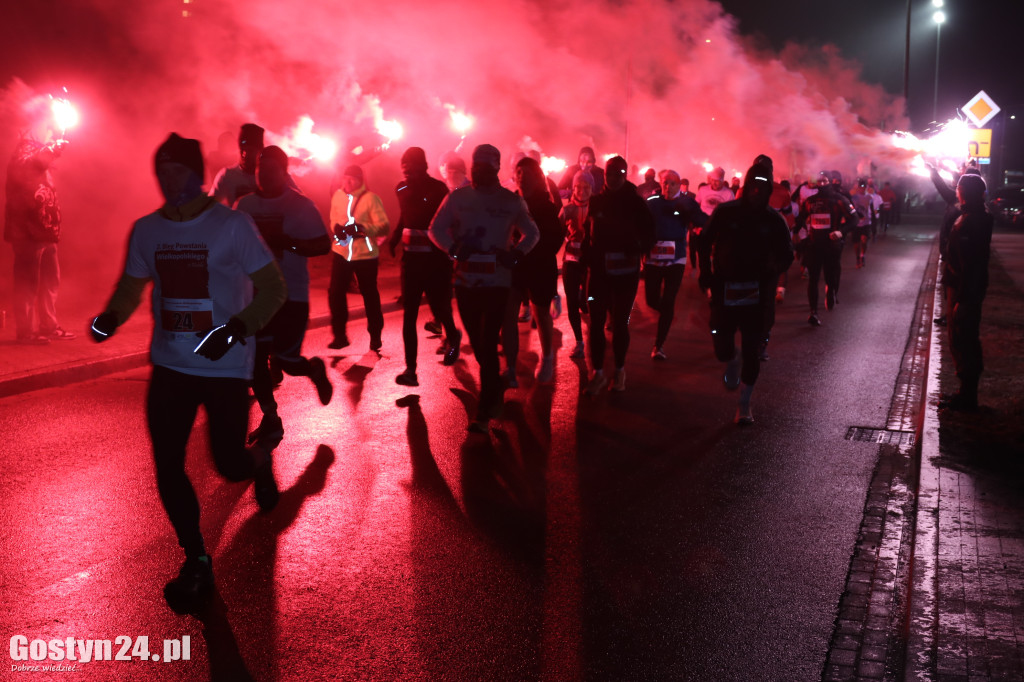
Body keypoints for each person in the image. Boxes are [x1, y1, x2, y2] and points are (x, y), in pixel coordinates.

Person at [88, 133, 287, 612]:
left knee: (228, 465)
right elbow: (132, 286)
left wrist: (235, 330)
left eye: (177, 170)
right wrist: (111, 317)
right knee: (168, 465)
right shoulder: (147, 230)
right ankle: (196, 557)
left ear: (197, 174)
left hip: (224, 367)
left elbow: (273, 289)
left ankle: (261, 452)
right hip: (171, 365)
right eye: (162, 170)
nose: (168, 179)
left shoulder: (232, 226)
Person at [428, 144, 539, 432]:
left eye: (486, 167)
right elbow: (435, 228)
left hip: (497, 283)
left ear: (496, 169)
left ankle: (484, 411)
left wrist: (515, 254)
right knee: (478, 345)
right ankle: (495, 388)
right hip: (465, 283)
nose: (480, 172)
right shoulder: (457, 197)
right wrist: (452, 249)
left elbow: (532, 232)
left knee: (488, 343)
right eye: (476, 167)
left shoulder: (510, 201)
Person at [234, 146, 334, 443]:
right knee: (254, 361)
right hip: (254, 296)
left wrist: (287, 243)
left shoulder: (300, 205)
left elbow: (322, 245)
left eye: (271, 169)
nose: (263, 174)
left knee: (287, 361)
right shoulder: (244, 205)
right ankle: (271, 418)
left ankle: (313, 369)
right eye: (259, 169)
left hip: (291, 295)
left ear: (283, 171)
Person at [699, 162, 794, 424]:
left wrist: (771, 272)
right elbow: (704, 241)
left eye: (762, 187)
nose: (756, 192)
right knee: (721, 344)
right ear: (746, 186)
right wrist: (705, 272)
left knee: (752, 350)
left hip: (757, 294)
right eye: (752, 186)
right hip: (725, 288)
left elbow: (787, 253)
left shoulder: (774, 219)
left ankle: (744, 403)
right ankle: (731, 359)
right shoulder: (725, 212)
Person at [387, 147, 461, 387]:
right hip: (410, 263)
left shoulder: (438, 189)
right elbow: (405, 215)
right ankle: (410, 370)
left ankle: (453, 336)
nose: (405, 168)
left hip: (436, 261)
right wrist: (396, 236)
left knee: (440, 309)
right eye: (403, 163)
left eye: (410, 163)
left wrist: (454, 251)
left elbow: (450, 221)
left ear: (422, 164)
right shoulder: (400, 188)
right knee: (409, 315)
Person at [584, 155, 655, 394]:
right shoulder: (596, 202)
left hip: (625, 273)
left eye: (618, 175)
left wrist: (636, 248)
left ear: (625, 176)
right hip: (598, 273)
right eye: (609, 174)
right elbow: (587, 235)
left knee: (620, 323)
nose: (613, 179)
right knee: (595, 324)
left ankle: (620, 370)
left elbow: (650, 235)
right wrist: (587, 258)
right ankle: (599, 374)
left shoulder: (636, 203)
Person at [5, 105, 75, 344]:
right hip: (27, 232)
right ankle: (25, 332)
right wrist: (55, 147)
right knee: (27, 280)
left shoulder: (38, 152)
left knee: (49, 279)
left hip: (44, 231)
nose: (50, 131)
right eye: (46, 127)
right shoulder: (24, 152)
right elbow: (32, 164)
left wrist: (53, 148)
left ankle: (48, 324)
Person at [504, 156, 565, 385]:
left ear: (537, 178)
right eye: (519, 173)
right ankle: (510, 367)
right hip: (516, 268)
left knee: (541, 315)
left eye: (528, 174)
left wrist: (533, 251)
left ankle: (547, 356)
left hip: (540, 267)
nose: (522, 178)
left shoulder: (546, 206)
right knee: (508, 314)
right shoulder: (510, 203)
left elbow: (555, 239)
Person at [939, 174, 992, 412]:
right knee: (958, 340)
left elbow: (972, 265)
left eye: (959, 188)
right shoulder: (971, 215)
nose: (956, 191)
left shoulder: (975, 221)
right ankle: (964, 393)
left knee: (965, 341)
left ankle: (968, 397)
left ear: (966, 192)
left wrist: (963, 299)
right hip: (959, 289)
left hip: (964, 292)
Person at [643, 170, 704, 360]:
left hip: (675, 260)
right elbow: (639, 223)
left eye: (672, 183)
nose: (667, 187)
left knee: (668, 300)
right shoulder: (652, 202)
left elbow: (702, 220)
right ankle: (667, 315)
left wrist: (692, 217)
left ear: (679, 185)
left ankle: (658, 346)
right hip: (653, 259)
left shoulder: (687, 202)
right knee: (651, 300)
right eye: (664, 183)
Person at [328, 164, 389, 351]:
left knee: (369, 294)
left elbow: (384, 226)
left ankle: (375, 335)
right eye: (345, 177)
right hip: (342, 252)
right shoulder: (338, 196)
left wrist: (362, 228)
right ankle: (340, 336)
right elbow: (333, 218)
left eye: (352, 178)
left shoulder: (371, 199)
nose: (347, 182)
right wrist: (336, 228)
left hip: (365, 254)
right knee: (336, 293)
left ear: (360, 180)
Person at [795, 170, 855, 326]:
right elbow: (800, 218)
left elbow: (854, 218)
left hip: (832, 245)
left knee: (830, 274)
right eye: (819, 181)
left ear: (831, 181)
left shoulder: (839, 200)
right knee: (813, 279)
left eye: (825, 181)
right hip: (814, 245)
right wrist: (797, 232)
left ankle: (832, 291)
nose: (821, 184)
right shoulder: (810, 201)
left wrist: (841, 231)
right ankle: (813, 312)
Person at [558, 171, 593, 359]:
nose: (581, 191)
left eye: (586, 187)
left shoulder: (596, 209)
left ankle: (596, 332)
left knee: (591, 301)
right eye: (578, 187)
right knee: (571, 301)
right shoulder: (567, 209)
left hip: (591, 262)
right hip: (571, 260)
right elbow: (557, 232)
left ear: (592, 189)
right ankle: (579, 341)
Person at [692, 166, 734, 281]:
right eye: (714, 181)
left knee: (719, 254)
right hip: (703, 226)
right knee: (703, 254)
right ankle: (705, 277)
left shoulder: (729, 193)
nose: (716, 184)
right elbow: (695, 207)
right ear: (710, 180)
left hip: (720, 227)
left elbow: (731, 213)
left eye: (719, 181)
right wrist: (696, 224)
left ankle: (718, 278)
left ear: (723, 181)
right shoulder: (703, 190)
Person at [208, 123, 264, 207]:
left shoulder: (272, 176)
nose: (244, 155)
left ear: (260, 151)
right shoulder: (227, 175)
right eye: (242, 149)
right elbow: (209, 208)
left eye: (250, 151)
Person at [849, 179, 874, 268]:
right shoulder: (853, 197)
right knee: (856, 243)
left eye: (864, 187)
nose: (862, 189)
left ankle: (862, 255)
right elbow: (850, 209)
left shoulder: (869, 197)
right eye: (860, 187)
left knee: (864, 240)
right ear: (858, 188)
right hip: (856, 223)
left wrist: (874, 220)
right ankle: (857, 258)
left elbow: (873, 210)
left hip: (866, 222)